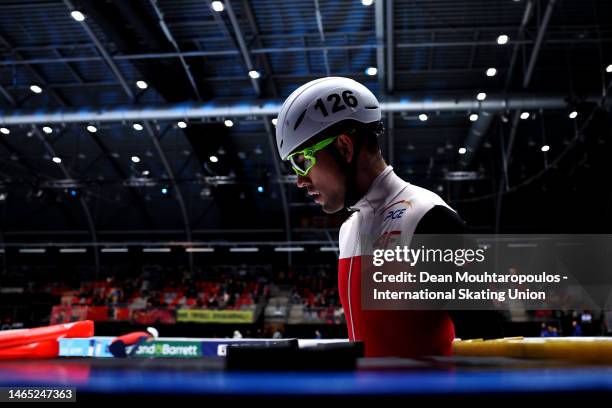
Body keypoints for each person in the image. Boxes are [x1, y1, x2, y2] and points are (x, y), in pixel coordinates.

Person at [275, 77, 468, 357]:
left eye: (302, 161)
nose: (299, 180)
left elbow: (488, 342)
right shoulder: (348, 229)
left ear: (344, 147)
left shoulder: (429, 217)